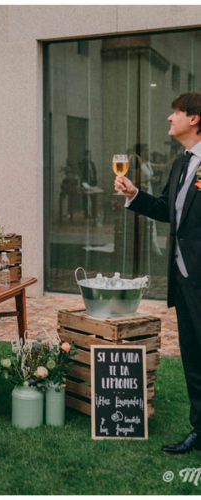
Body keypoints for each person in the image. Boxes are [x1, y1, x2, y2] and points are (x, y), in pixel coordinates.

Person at [115, 93, 201, 454]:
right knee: (194, 356)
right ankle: (200, 430)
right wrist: (135, 194)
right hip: (184, 280)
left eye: (176, 112)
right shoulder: (181, 164)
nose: (169, 118)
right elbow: (168, 210)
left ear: (195, 118)